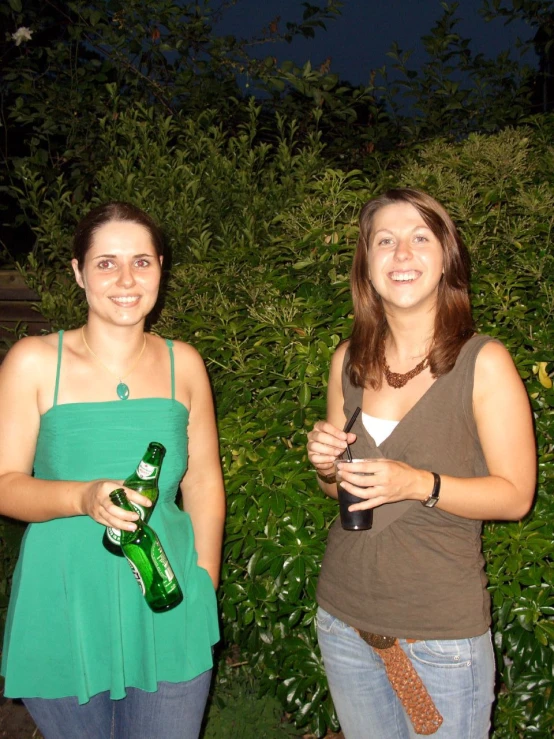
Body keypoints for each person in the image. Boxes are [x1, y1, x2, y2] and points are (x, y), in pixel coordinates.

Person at [306, 188, 536, 738]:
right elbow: (333, 492)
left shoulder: (485, 362)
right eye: (384, 241)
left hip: (441, 637)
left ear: (446, 258)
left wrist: (418, 484)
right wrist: (325, 467)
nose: (401, 253)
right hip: (342, 619)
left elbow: (515, 497)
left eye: (419, 238)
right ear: (366, 263)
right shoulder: (348, 359)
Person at [0, 202, 226, 739]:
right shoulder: (33, 362)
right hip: (63, 599)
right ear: (78, 272)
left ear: (160, 270)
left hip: (165, 595)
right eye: (106, 263)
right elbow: (5, 483)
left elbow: (203, 482)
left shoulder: (184, 364)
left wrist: (203, 583)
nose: (126, 279)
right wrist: (83, 497)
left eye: (142, 262)